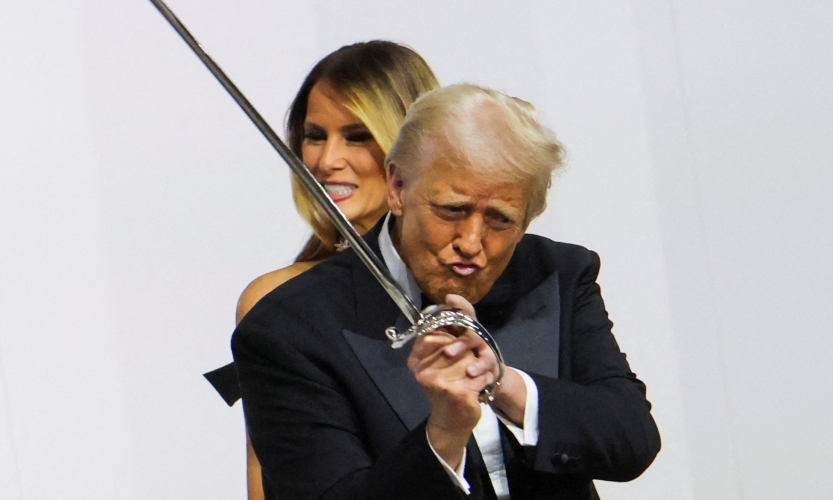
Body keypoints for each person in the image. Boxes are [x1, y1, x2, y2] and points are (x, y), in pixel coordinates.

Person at [233, 84, 661, 500]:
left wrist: (506, 385)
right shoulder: (288, 329)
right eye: (452, 210)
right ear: (397, 187)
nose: (471, 242)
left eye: (500, 219)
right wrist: (443, 436)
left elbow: (632, 438)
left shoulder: (558, 274)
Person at [204, 41, 439, 499]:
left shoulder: (478, 277)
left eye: (357, 136)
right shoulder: (277, 303)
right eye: (315, 136)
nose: (327, 160)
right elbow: (267, 472)